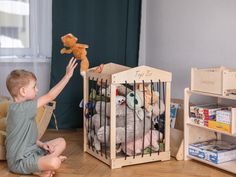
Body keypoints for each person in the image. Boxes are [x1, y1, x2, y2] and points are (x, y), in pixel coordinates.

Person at [5, 57, 78, 177]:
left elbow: (26, 138)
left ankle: (42, 166)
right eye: (34, 87)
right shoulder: (20, 109)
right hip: (20, 162)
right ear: (23, 91)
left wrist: (42, 145)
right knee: (55, 162)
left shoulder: (22, 107)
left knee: (61, 142)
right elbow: (50, 96)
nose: (37, 90)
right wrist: (67, 76)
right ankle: (43, 166)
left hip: (33, 151)